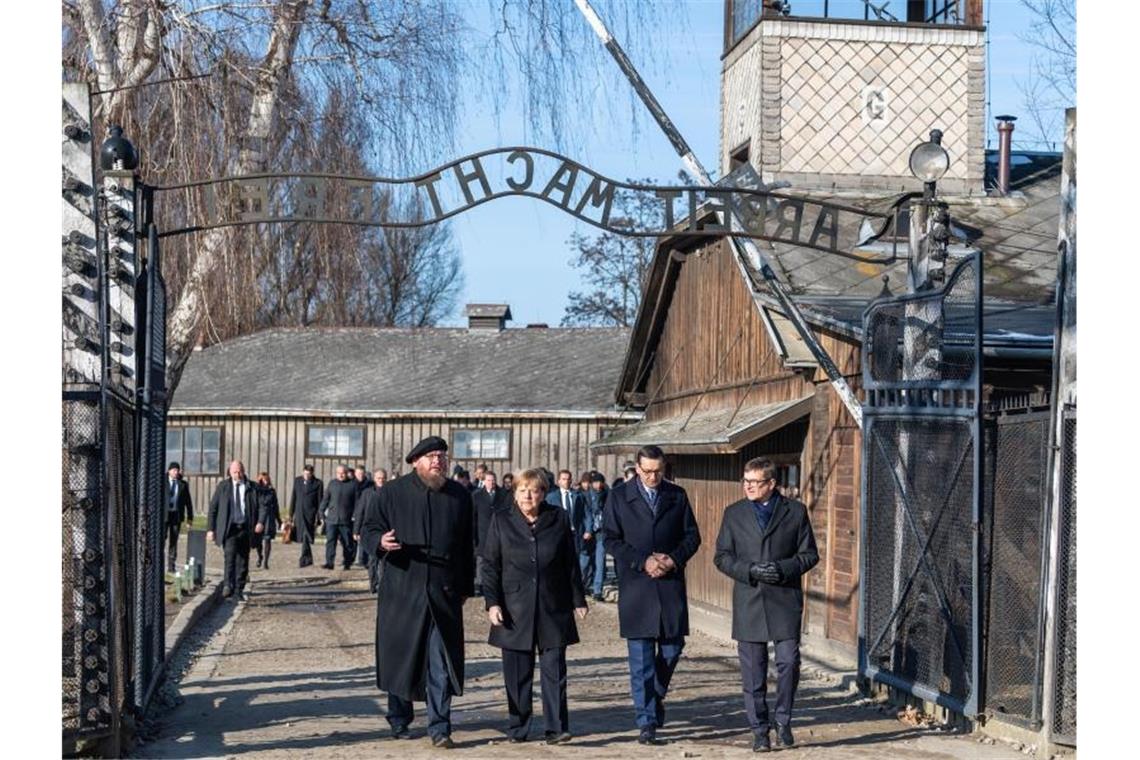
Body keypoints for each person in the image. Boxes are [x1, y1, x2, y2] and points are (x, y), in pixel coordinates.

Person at [358, 436, 475, 749]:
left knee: (441, 661)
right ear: (415, 462)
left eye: (442, 456)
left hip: (443, 592)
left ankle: (440, 727)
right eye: (431, 457)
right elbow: (368, 529)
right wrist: (379, 542)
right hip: (401, 590)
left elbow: (467, 546)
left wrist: (465, 586)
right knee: (401, 657)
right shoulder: (391, 493)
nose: (438, 461)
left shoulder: (459, 496)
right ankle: (399, 720)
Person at [713, 458, 819, 751]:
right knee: (753, 671)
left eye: (754, 482)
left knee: (788, 662)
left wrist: (784, 568)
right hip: (749, 599)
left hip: (784, 600)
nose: (748, 486)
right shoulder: (733, 514)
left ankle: (783, 720)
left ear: (771, 484)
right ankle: (759, 730)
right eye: (745, 481)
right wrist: (749, 570)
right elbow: (722, 557)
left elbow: (809, 554)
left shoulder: (795, 512)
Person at [603, 445, 701, 745]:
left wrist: (673, 559)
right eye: (647, 471)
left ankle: (654, 697)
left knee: (672, 649)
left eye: (658, 471)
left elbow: (692, 536)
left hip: (670, 584)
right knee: (641, 658)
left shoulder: (677, 495)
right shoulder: (619, 497)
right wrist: (641, 561)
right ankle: (646, 721)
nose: (653, 476)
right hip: (637, 586)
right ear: (637, 467)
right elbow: (609, 538)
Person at [483, 468, 588, 744]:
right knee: (517, 674)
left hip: (553, 605)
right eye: (523, 490)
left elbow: (570, 562)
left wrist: (578, 599)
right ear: (514, 493)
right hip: (513, 607)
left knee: (554, 670)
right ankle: (519, 727)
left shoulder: (558, 517)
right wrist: (492, 603)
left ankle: (557, 728)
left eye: (535, 490)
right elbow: (490, 565)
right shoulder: (501, 520)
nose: (529, 495)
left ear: (544, 493)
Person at [207, 460, 260, 598]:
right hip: (229, 528)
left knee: (243, 560)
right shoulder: (223, 487)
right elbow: (213, 508)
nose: (238, 474)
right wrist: (211, 529)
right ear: (230, 472)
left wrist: (260, 522)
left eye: (240, 471)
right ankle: (227, 585)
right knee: (229, 556)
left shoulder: (252, 487)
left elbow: (261, 506)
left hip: (245, 528)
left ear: (244, 471)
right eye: (235, 472)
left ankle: (239, 588)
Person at [546, 471, 591, 588]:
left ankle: (575, 585)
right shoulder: (551, 497)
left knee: (576, 560)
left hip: (575, 533)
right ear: (559, 481)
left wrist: (588, 530)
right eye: (564, 479)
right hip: (558, 533)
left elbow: (586, 514)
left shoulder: (578, 496)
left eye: (568, 479)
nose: (566, 481)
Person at [472, 470, 509, 595]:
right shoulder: (476, 496)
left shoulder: (504, 494)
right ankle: (479, 586)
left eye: (493, 480)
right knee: (481, 561)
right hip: (482, 534)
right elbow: (473, 517)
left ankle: (497, 586)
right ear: (484, 482)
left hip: (500, 532)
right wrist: (474, 536)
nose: (491, 483)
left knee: (499, 560)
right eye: (488, 480)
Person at [320, 465, 358, 570]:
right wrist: (321, 511)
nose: (341, 475)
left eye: (343, 473)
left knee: (347, 543)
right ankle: (329, 563)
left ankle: (347, 562)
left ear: (347, 473)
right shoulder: (332, 484)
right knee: (330, 542)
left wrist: (355, 515)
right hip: (332, 519)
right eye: (338, 473)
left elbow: (357, 503)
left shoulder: (353, 485)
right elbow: (326, 499)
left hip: (346, 520)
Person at [289, 465, 323, 567]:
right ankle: (308, 558)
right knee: (303, 536)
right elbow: (293, 497)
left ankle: (304, 559)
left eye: (309, 474)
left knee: (306, 535)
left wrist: (319, 515)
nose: (307, 476)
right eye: (305, 473)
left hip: (310, 513)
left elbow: (319, 500)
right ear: (303, 472)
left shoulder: (318, 483)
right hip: (299, 512)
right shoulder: (297, 481)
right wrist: (291, 514)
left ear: (312, 473)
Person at [165, 461, 193, 572]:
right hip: (165, 516)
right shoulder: (163, 482)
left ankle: (171, 566)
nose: (176, 472)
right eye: (174, 470)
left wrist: (190, 518)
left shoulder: (183, 485)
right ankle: (159, 563)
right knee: (162, 539)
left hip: (176, 515)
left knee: (174, 541)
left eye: (177, 470)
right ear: (169, 471)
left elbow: (188, 502)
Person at [585, 472, 610, 601]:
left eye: (600, 482)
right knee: (585, 560)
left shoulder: (607, 494)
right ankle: (585, 584)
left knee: (600, 560)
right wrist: (587, 529)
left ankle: (597, 590)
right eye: (596, 482)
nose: (598, 485)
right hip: (588, 532)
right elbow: (586, 513)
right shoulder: (586, 495)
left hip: (602, 531)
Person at [253, 472, 281, 569]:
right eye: (263, 480)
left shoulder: (272, 491)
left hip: (269, 518)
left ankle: (266, 562)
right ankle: (260, 556)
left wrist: (279, 519)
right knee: (258, 541)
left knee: (267, 539)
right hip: (259, 517)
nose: (265, 482)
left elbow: (276, 506)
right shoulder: (256, 491)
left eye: (267, 480)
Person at [353, 465, 373, 568]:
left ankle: (362, 559)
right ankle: (351, 558)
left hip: (364, 513)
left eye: (362, 473)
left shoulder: (370, 485)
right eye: (358, 474)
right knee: (353, 538)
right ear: (355, 474)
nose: (360, 475)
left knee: (362, 537)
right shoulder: (351, 484)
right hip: (353, 512)